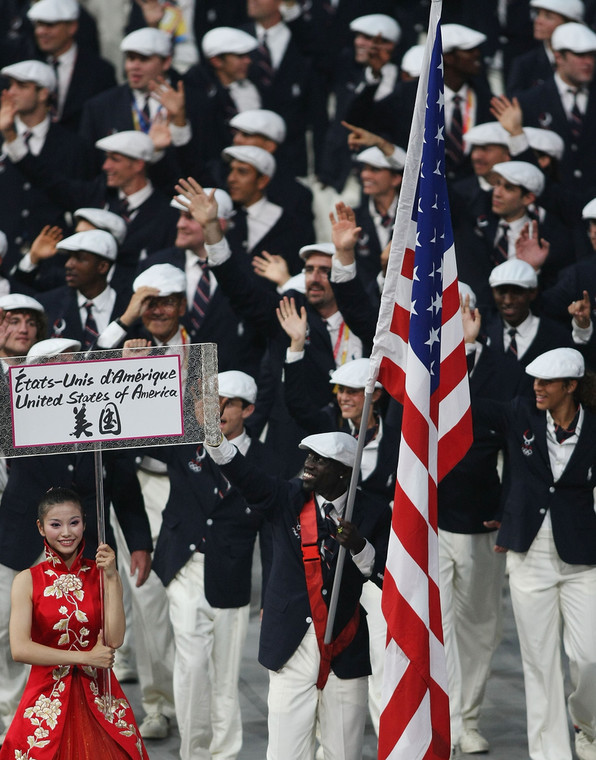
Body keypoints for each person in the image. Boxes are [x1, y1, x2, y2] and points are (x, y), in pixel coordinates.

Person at [205, 430, 391, 760]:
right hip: (291, 648)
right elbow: (247, 478)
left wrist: (360, 547)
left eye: (319, 460)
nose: (308, 464)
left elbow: (388, 576)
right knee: (285, 753)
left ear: (343, 471)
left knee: (344, 754)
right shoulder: (287, 497)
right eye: (308, 456)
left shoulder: (373, 512)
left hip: (344, 649)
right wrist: (216, 443)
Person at [465, 337, 596, 760]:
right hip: (529, 555)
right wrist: (465, 348)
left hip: (584, 559)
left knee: (590, 659)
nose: (537, 387)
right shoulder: (520, 413)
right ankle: (550, 754)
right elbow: (466, 402)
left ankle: (588, 724)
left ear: (571, 386)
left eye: (547, 382)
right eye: (535, 380)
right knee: (540, 666)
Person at [0, 487, 149, 759]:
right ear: (41, 528)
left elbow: (115, 640)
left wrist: (113, 578)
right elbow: (20, 649)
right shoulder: (27, 580)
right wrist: (86, 657)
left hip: (100, 693)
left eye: (74, 522)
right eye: (55, 524)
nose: (66, 532)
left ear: (84, 523)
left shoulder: (101, 573)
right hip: (46, 695)